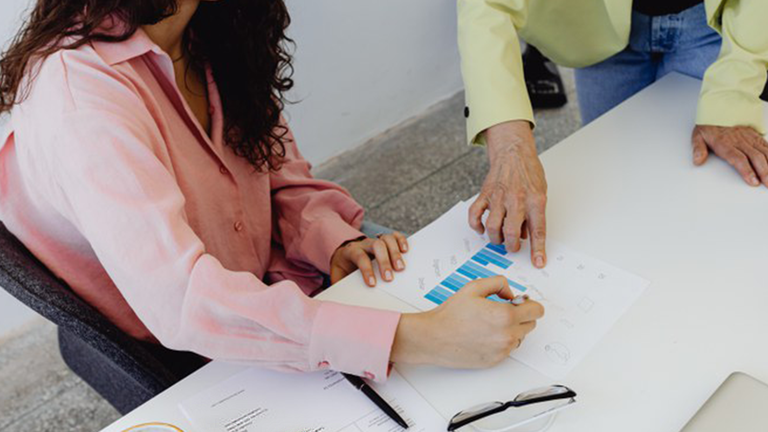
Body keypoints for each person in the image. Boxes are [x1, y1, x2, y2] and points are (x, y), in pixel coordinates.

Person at [0, 0, 544, 380]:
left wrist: (331, 239)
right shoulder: (80, 98)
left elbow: (276, 169)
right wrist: (417, 337)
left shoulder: (211, 27)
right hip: (198, 337)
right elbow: (185, 302)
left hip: (269, 277)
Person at [458, 0, 768, 269]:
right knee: (612, 196)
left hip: (711, 24)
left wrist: (732, 95)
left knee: (706, 197)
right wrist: (510, 144)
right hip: (595, 28)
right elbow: (484, 5)